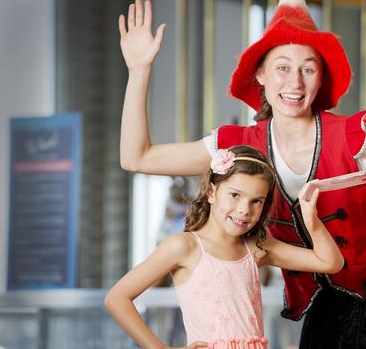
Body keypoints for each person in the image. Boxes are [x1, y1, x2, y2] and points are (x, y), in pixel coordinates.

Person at [118, 0, 366, 347]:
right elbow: (137, 157)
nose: (295, 82)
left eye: (308, 69)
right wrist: (139, 70)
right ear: (259, 74)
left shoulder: (359, 136)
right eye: (282, 67)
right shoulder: (236, 145)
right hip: (321, 309)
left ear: (321, 78)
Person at [105, 145, 344, 349]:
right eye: (235, 195)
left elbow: (330, 263)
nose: (244, 209)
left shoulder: (258, 247)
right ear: (211, 191)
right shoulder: (184, 246)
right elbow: (117, 298)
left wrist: (311, 220)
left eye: (256, 201)